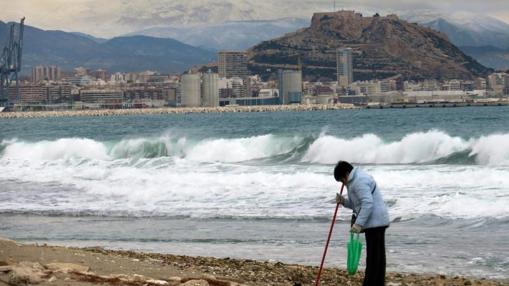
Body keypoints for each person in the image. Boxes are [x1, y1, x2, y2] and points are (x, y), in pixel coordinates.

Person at [334, 161, 390, 286]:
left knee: (373, 257)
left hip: (375, 222)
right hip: (378, 220)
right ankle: (378, 282)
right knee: (378, 256)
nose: (343, 183)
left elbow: (367, 203)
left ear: (347, 173)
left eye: (342, 179)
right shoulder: (355, 180)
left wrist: (358, 224)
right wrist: (343, 201)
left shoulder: (358, 181)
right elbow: (356, 204)